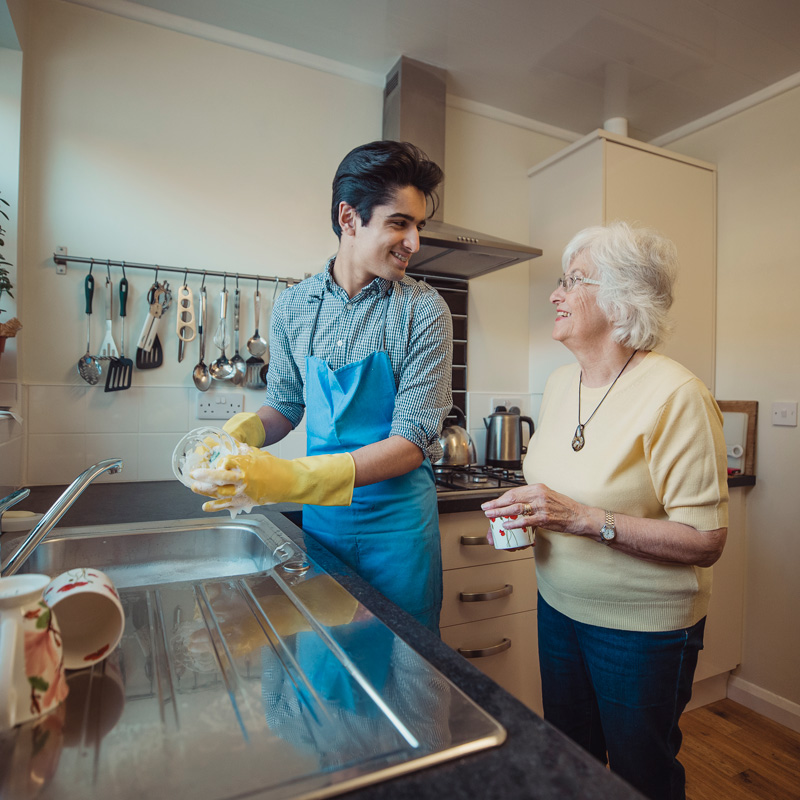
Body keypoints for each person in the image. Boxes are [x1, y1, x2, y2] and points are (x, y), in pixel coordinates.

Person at [481, 222, 728, 800]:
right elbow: (563, 484)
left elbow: (705, 540)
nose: (555, 294)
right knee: (570, 759)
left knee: (643, 773)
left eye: (572, 281)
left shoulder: (676, 395)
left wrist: (581, 518)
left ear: (622, 299)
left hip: (639, 628)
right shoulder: (562, 382)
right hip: (559, 606)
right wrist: (528, 511)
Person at [191, 140, 453, 634]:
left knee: (405, 672)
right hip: (325, 529)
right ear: (349, 218)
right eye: (400, 223)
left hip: (398, 534)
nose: (414, 242)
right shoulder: (295, 307)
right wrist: (239, 434)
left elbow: (412, 442)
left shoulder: (424, 311)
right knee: (330, 665)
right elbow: (286, 405)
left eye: (419, 226)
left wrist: (292, 479)